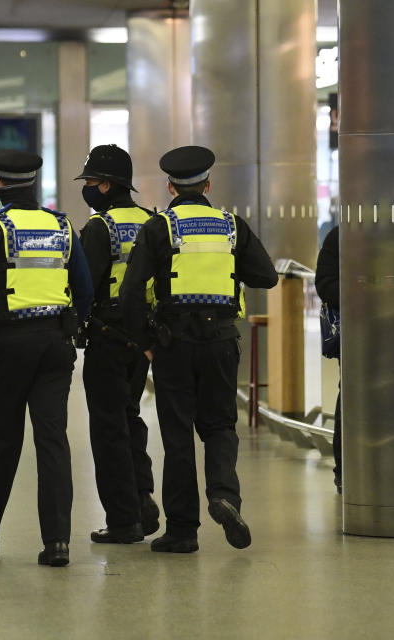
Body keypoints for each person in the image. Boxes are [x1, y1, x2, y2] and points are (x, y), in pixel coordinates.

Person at [119, 146, 277, 553]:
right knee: (221, 425)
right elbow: (266, 276)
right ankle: (225, 495)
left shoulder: (160, 228)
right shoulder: (230, 226)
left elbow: (131, 292)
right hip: (222, 341)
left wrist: (146, 344)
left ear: (170, 187)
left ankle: (183, 530)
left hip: (174, 343)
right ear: (208, 185)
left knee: (177, 435)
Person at [0, 150, 94, 567]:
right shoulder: (62, 226)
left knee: (5, 441)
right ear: (34, 181)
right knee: (53, 441)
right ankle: (57, 543)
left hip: (9, 347)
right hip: (55, 346)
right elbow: (83, 292)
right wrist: (66, 331)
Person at [75, 144, 160, 544]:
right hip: (141, 337)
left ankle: (124, 520)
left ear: (107, 185)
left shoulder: (99, 227)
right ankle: (142, 499)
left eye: (91, 181)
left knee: (108, 428)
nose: (88, 188)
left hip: (107, 336)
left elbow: (85, 287)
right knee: (130, 417)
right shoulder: (151, 221)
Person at [315, 225, 341, 494]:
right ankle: (344, 470)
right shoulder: (341, 235)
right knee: (351, 394)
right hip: (358, 330)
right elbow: (325, 283)